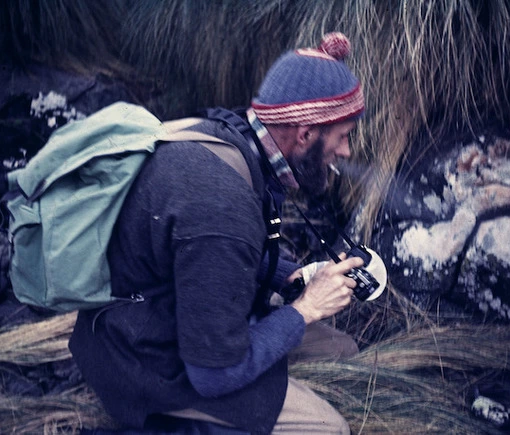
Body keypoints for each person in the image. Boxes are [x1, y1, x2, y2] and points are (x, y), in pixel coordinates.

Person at [69, 32, 366, 435]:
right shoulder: (222, 210)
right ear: (305, 135)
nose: (346, 152)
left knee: (342, 352)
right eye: (343, 135)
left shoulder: (230, 135)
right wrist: (306, 308)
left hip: (148, 321)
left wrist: (287, 276)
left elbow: (206, 255)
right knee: (330, 430)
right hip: (147, 364)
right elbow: (214, 373)